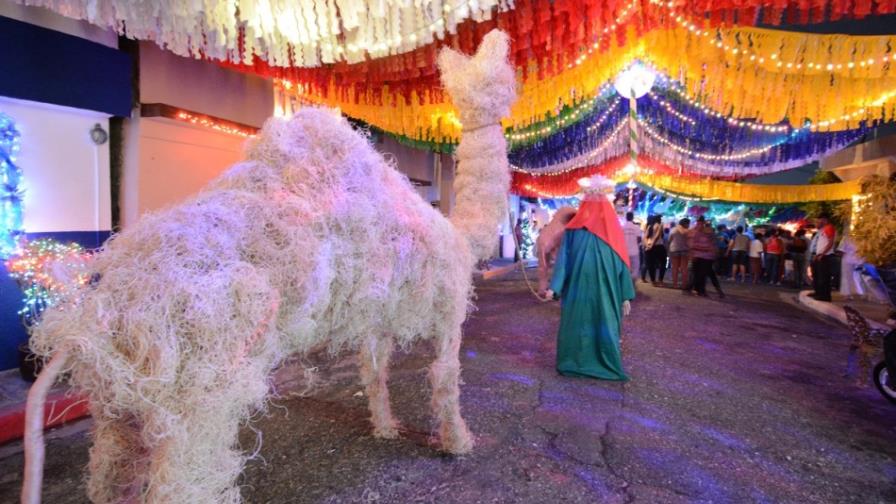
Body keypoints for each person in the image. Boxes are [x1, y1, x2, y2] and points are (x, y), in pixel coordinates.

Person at [546, 176, 635, 381]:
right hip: (599, 291)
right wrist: (625, 295)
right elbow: (623, 264)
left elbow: (564, 261)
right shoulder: (582, 231)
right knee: (597, 323)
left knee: (586, 323)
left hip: (583, 290)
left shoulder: (586, 232)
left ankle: (577, 362)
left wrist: (625, 296)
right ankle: (578, 362)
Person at [535, 207, 577, 295]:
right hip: (551, 243)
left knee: (543, 267)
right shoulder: (563, 227)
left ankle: (543, 288)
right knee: (557, 266)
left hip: (544, 241)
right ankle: (556, 288)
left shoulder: (556, 224)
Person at [688, 217, 720, 297]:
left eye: (701, 224)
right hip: (699, 256)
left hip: (707, 257)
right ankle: (698, 289)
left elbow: (713, 244)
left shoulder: (709, 232)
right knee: (700, 274)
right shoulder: (695, 232)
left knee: (703, 274)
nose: (699, 225)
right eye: (698, 223)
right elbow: (692, 244)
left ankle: (697, 289)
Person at [811, 213, 837, 302]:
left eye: (820, 220)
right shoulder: (822, 229)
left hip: (825, 256)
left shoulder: (829, 228)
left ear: (825, 220)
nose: (818, 222)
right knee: (818, 276)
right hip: (820, 255)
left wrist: (822, 254)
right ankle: (819, 293)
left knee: (824, 277)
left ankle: (824, 296)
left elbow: (830, 242)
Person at [643, 215, 667, 286]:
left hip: (649, 246)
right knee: (663, 263)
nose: (661, 219)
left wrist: (647, 245)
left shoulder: (650, 226)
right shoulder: (659, 225)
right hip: (658, 246)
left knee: (651, 264)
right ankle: (660, 280)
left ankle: (653, 281)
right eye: (660, 218)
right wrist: (652, 245)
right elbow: (657, 236)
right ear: (658, 219)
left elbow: (645, 237)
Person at [667, 218, 691, 289]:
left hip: (674, 250)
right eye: (688, 224)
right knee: (684, 268)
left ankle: (675, 284)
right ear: (685, 223)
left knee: (675, 268)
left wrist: (668, 250)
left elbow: (669, 240)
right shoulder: (688, 231)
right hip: (685, 250)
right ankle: (684, 285)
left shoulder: (673, 230)